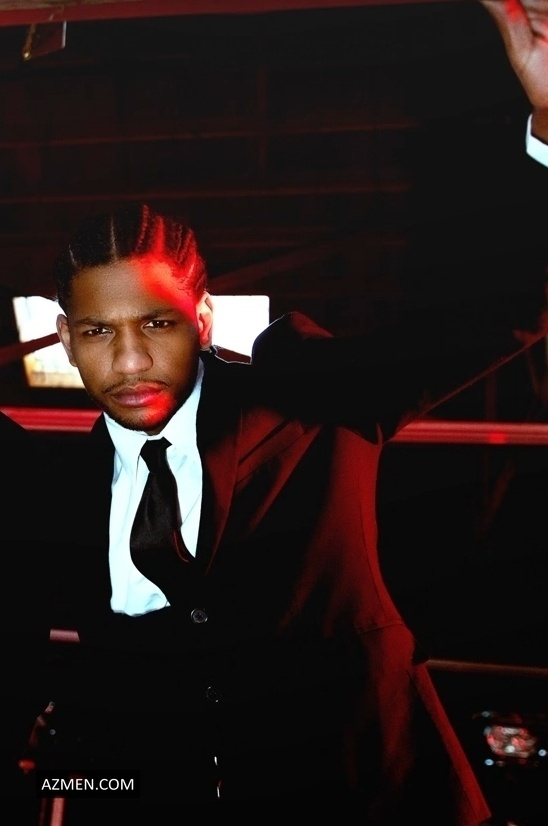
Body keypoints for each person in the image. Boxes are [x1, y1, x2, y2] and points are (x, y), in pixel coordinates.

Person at [9, 0, 548, 822]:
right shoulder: (49, 480)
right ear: (64, 340)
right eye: (97, 332)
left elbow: (496, 314)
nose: (129, 362)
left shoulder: (310, 398)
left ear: (203, 321)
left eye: (157, 325)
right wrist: (68, 791)